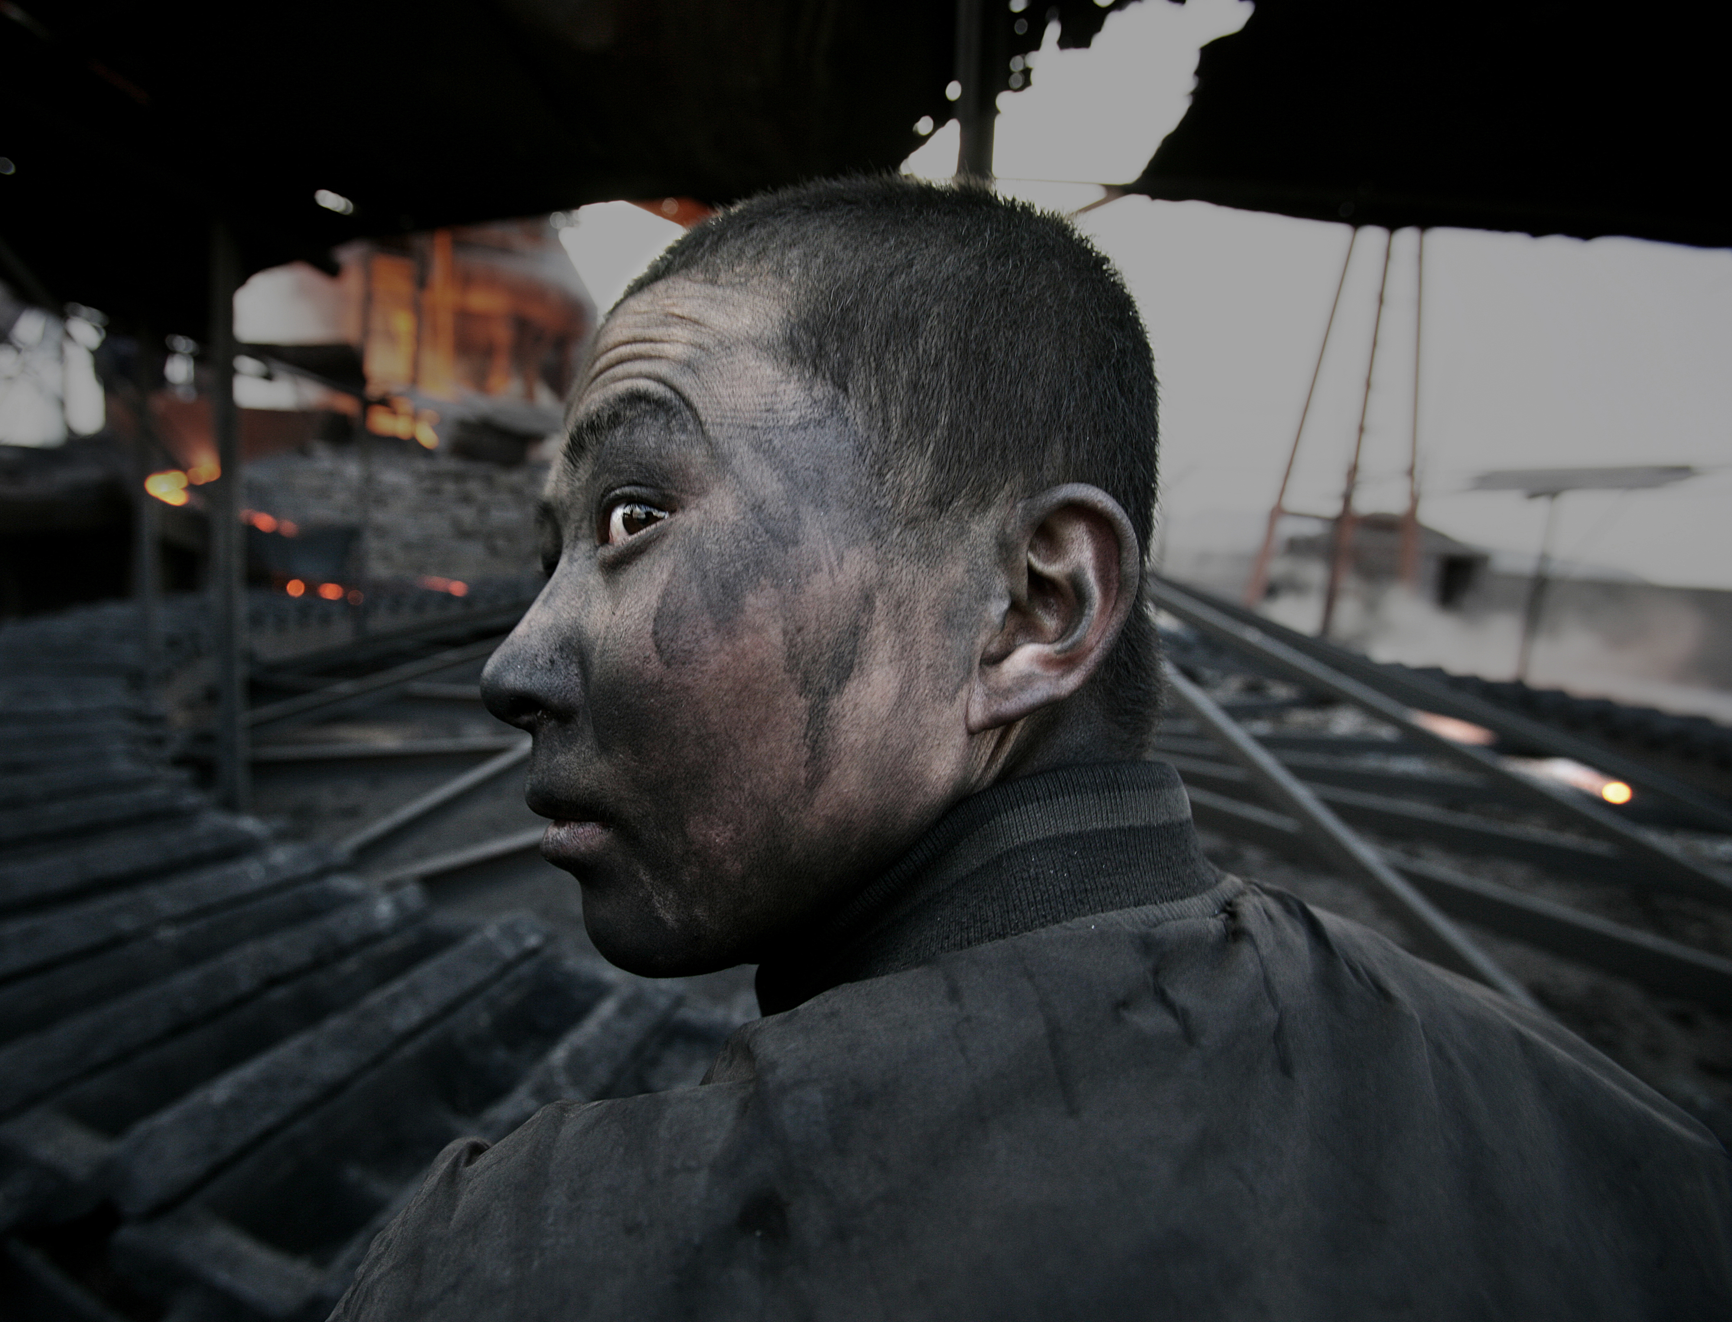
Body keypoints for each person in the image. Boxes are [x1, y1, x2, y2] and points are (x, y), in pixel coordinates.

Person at [332, 178, 1731, 1320]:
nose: (516, 662)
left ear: (1030, 610)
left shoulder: (530, 1260)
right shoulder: (1636, 1168)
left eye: (635, 516)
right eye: (552, 546)